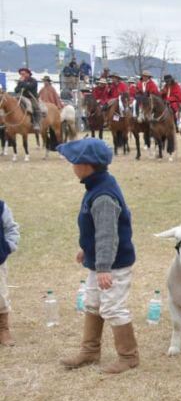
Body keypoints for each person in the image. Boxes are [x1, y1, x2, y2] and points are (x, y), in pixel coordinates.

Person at [57, 138, 139, 374]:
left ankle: (129, 357)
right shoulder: (96, 186)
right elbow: (95, 229)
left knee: (113, 307)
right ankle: (90, 350)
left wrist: (103, 267)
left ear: (86, 166)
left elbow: (107, 235)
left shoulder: (103, 195)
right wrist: (86, 248)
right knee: (92, 302)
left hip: (113, 266)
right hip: (100, 262)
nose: (72, 166)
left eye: (74, 162)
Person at [0, 198, 20, 347]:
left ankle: (3, 329)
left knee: (0, 296)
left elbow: (11, 229)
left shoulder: (1, 207)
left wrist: (7, 247)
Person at [13, 68, 42, 133]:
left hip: (31, 97)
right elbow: (16, 90)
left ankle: (36, 123)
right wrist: (20, 85)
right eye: (21, 74)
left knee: (35, 107)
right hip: (21, 97)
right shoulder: (20, 81)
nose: (22, 75)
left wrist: (21, 83)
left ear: (28, 74)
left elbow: (29, 87)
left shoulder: (33, 80)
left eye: (23, 74)